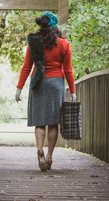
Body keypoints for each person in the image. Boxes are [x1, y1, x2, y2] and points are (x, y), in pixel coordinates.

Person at [15, 11, 76, 171]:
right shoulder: (64, 44)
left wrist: (19, 88)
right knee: (53, 122)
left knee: (40, 122)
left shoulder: (33, 43)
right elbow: (68, 70)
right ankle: (49, 157)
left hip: (39, 83)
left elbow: (27, 67)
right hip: (56, 84)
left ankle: (39, 149)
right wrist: (73, 91)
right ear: (55, 26)